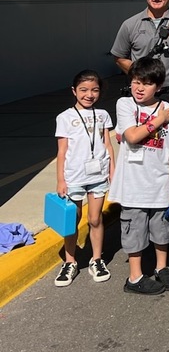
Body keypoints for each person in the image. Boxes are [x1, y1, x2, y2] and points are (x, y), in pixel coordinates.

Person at [111, 57, 169, 294]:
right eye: (135, 82)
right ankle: (135, 277)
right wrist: (159, 120)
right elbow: (131, 136)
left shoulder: (168, 110)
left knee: (161, 228)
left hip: (160, 180)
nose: (139, 88)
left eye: (146, 83)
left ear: (159, 87)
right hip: (133, 184)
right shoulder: (125, 105)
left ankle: (162, 267)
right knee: (135, 229)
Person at [53, 70, 115, 286]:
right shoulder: (65, 117)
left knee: (96, 219)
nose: (89, 94)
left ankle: (96, 259)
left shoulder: (103, 115)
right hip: (74, 177)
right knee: (72, 220)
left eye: (94, 90)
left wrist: (112, 171)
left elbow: (108, 145)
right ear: (74, 91)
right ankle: (70, 261)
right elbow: (62, 152)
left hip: (98, 175)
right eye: (84, 90)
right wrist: (61, 180)